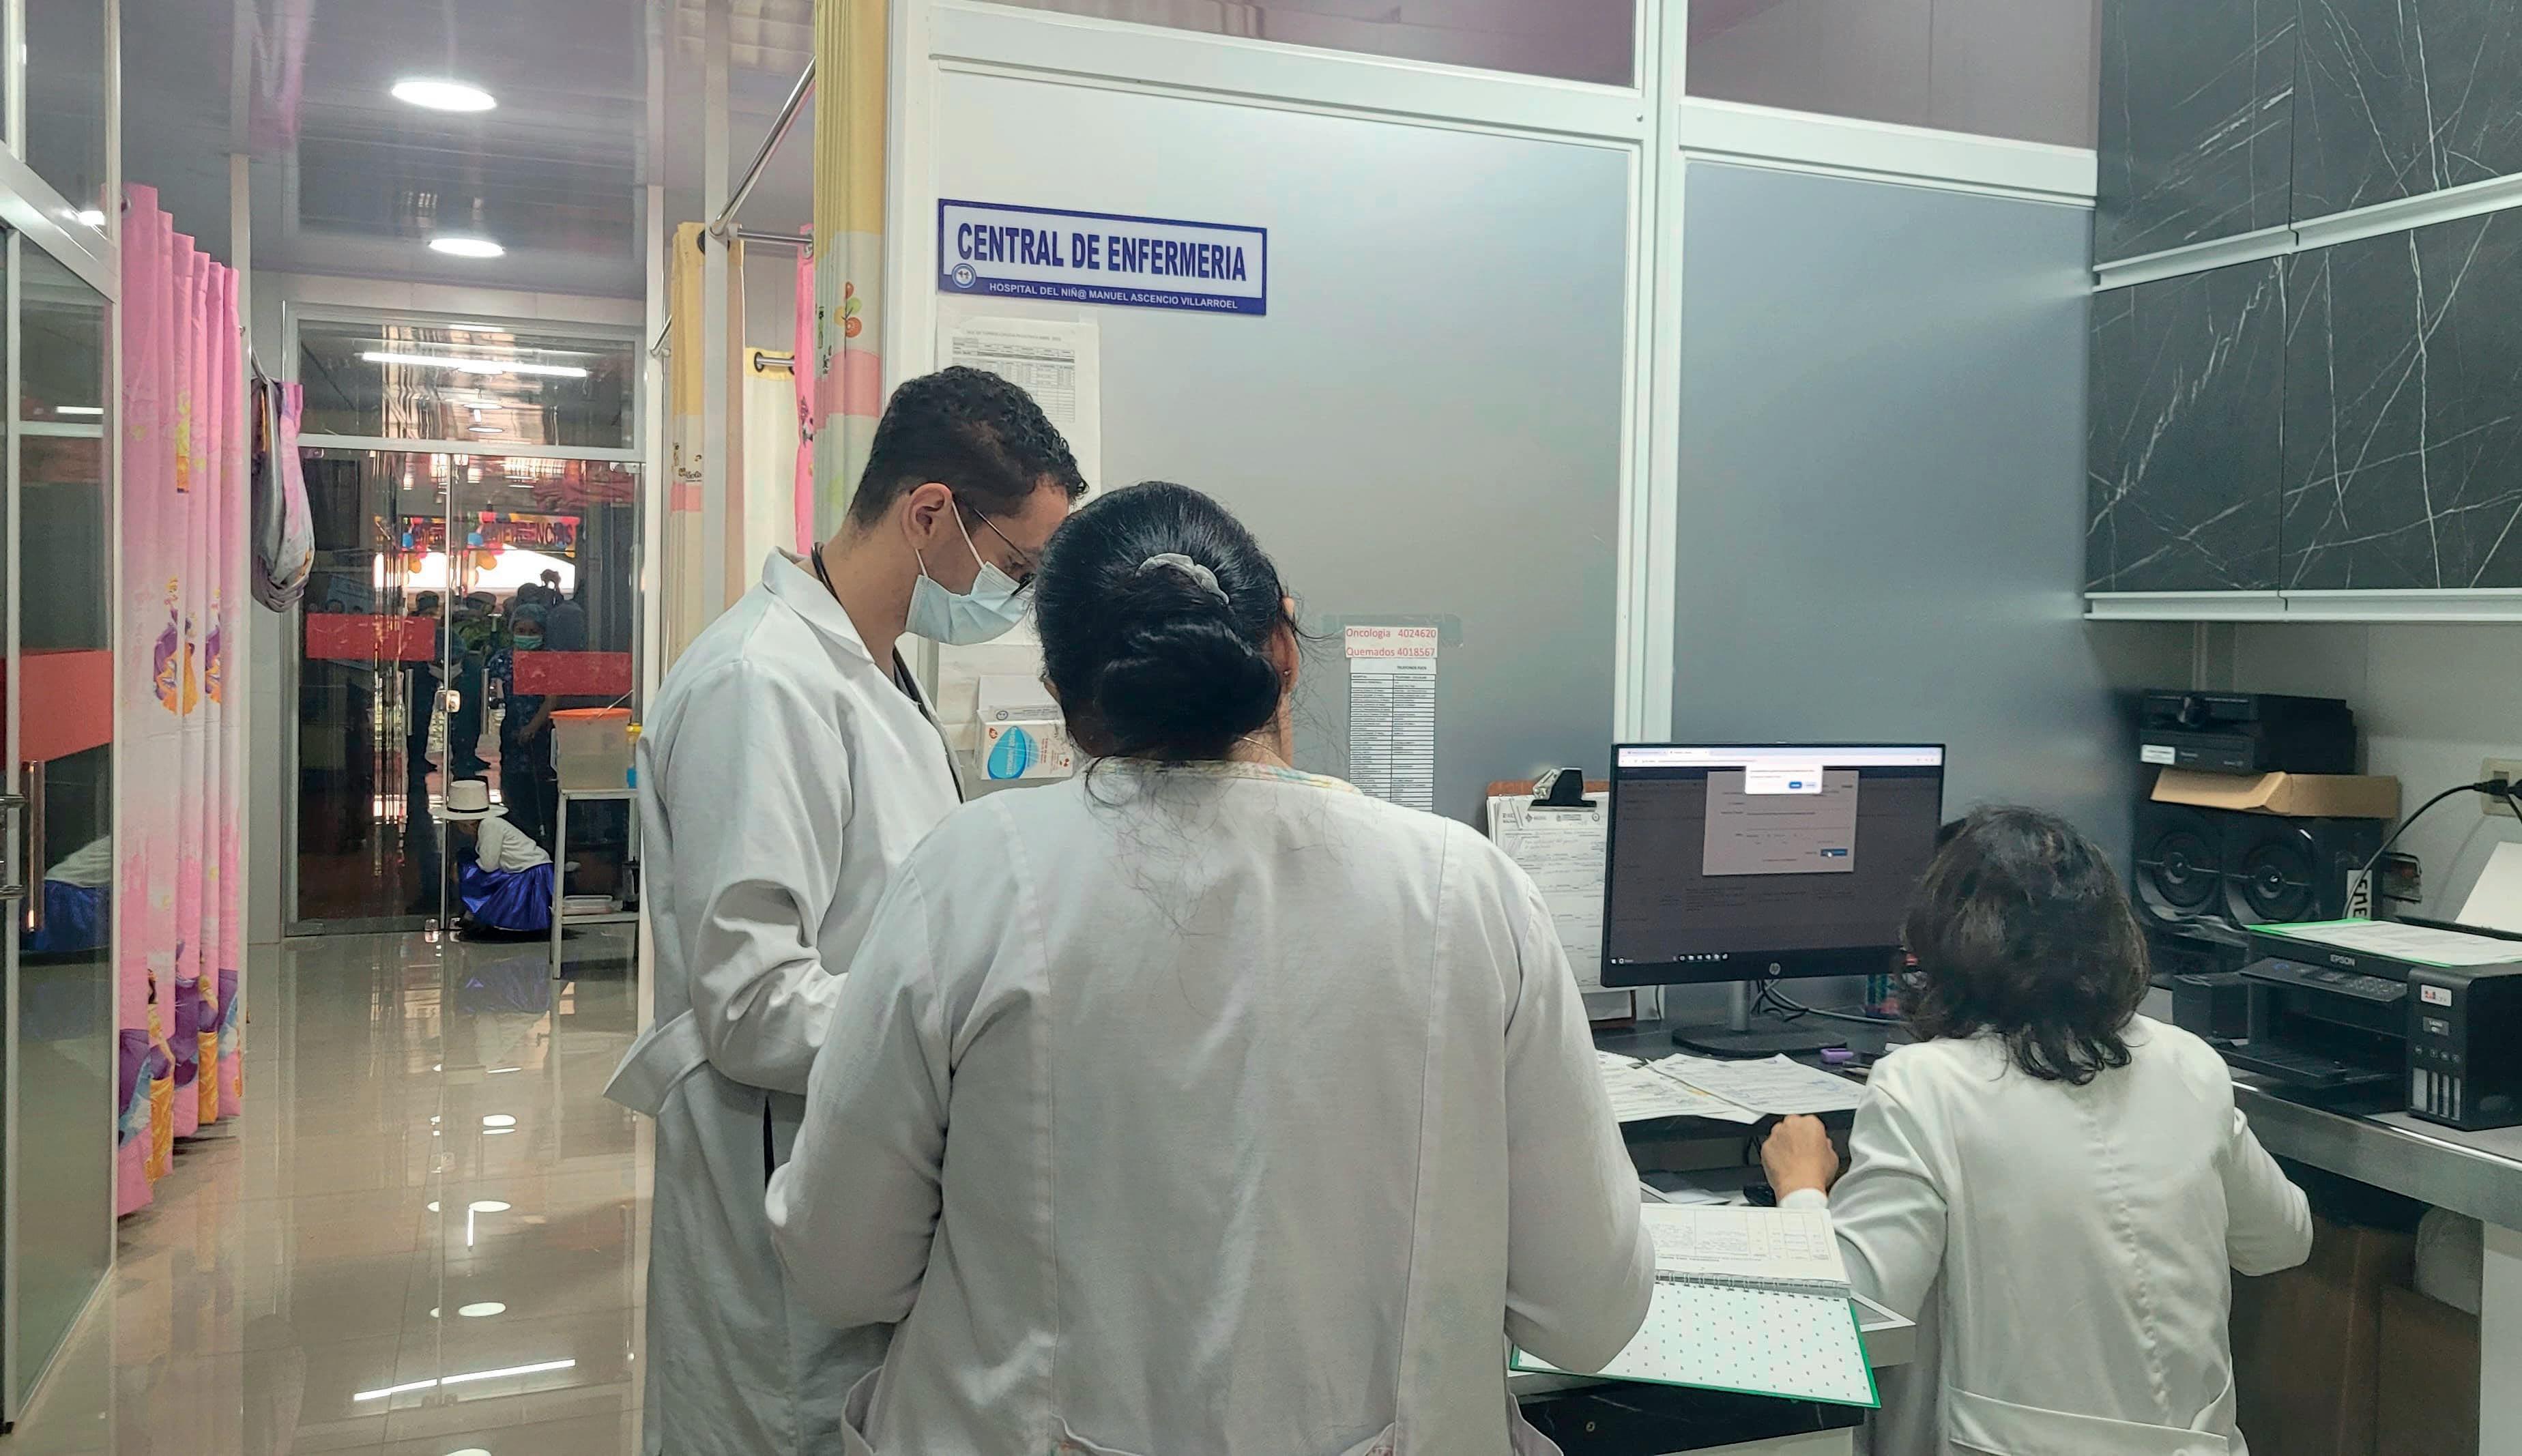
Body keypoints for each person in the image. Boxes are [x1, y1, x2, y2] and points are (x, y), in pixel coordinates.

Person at [768, 481, 1652, 1455]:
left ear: (1064, 698)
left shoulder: (968, 876)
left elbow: (839, 1267)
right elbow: (1590, 1313)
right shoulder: (1469, 893)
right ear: (1285, 652)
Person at [607, 366, 1086, 1456]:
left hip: (860, 1167)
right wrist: (960, 1028)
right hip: (777, 1170)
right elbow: (752, 1004)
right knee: (786, 1420)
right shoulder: (761, 684)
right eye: (1017, 565)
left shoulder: (874, 672)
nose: (1017, 596)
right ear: (930, 513)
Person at [1760, 806, 2311, 1456]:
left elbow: (1847, 1319)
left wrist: (1801, 1190)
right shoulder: (2187, 1060)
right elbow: (2283, 1239)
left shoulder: (1926, 1085)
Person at [437, 778, 555, 935]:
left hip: (530, 874)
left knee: (468, 869)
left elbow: (488, 865)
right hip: (526, 870)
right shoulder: (490, 825)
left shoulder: (489, 826)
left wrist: (460, 869)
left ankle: (477, 914)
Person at [489, 602, 556, 847]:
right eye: (521, 631)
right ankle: (517, 845)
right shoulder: (501, 660)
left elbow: (553, 699)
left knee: (541, 792)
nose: (526, 636)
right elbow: (489, 692)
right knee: (513, 788)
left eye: (533, 632)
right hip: (511, 732)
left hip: (543, 735)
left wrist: (533, 727)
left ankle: (545, 848)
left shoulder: (550, 660)